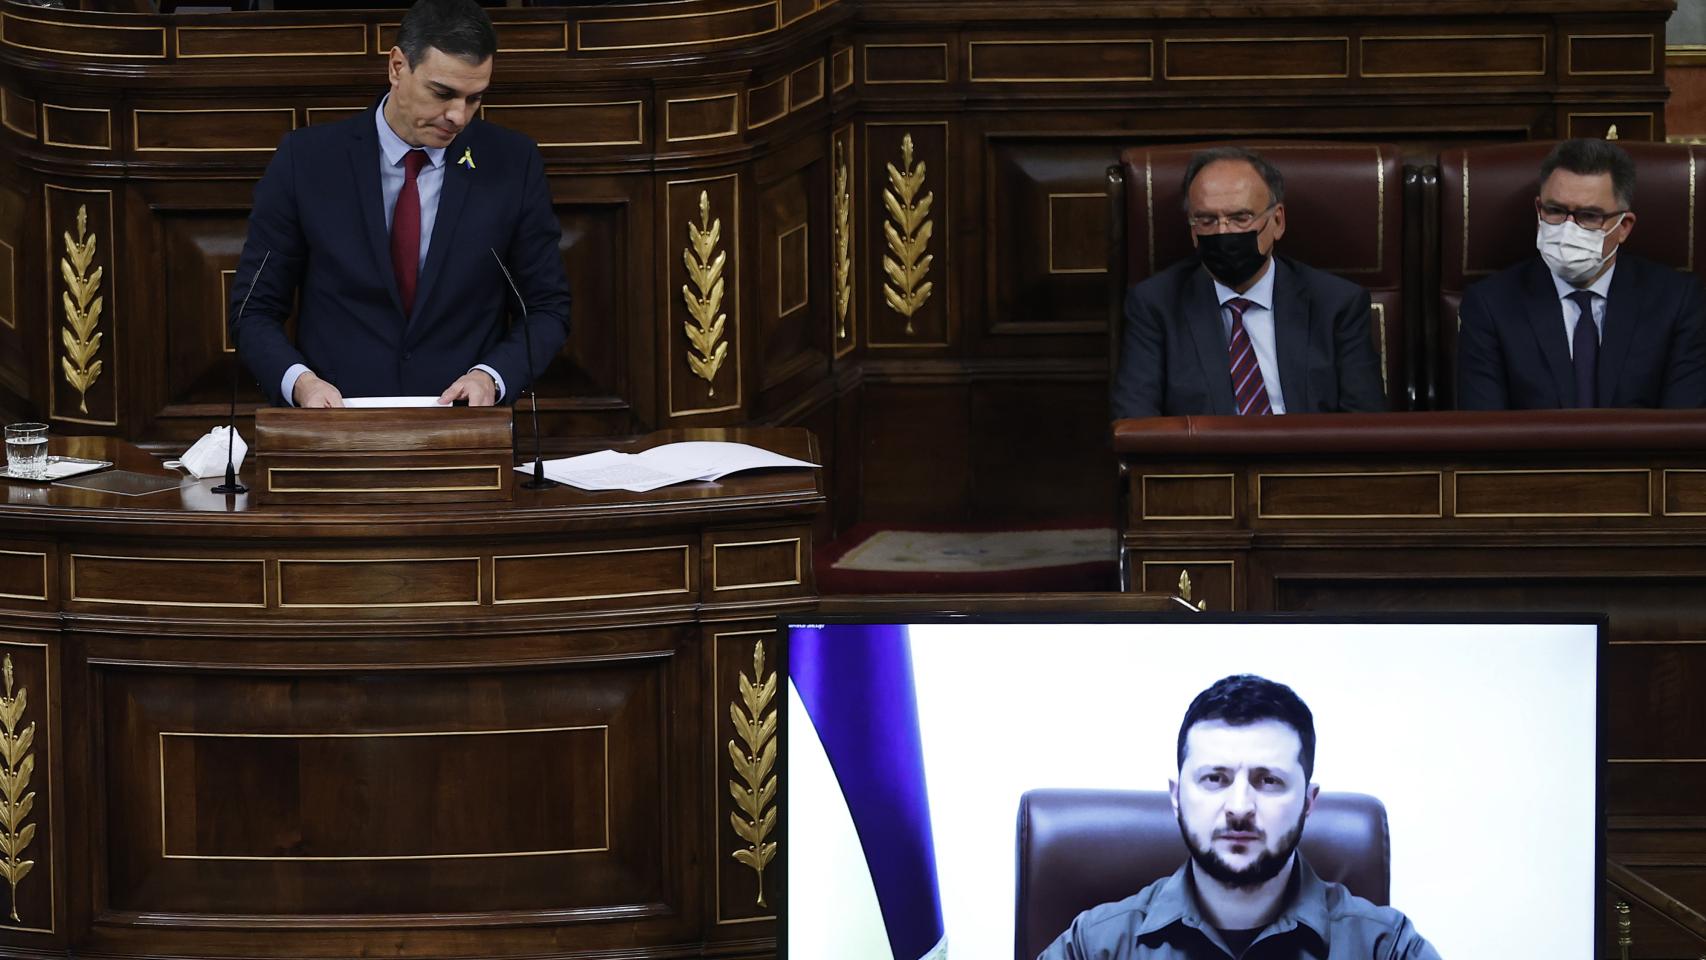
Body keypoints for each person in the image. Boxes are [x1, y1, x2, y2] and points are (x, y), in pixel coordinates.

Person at [230, 0, 570, 408]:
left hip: (464, 430)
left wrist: (491, 378)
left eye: (474, 98)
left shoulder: (512, 164)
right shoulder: (306, 162)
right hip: (336, 430)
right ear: (397, 67)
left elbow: (547, 307)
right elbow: (253, 309)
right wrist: (301, 383)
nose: (458, 116)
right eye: (442, 93)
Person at [1038, 675, 1441, 960]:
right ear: (1177, 797)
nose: (1240, 806)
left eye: (1268, 780)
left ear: (1308, 801)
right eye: (1215, 778)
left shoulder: (1386, 948)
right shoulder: (1094, 947)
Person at [1111, 148, 1386, 419]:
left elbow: (1364, 425)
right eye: (1207, 221)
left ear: (1277, 221)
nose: (1223, 232)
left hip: (1307, 460)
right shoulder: (1155, 305)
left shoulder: (1336, 304)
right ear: (1193, 231)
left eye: (1240, 218)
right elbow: (1136, 424)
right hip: (1206, 461)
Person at [1456, 138, 1706, 409]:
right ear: (1538, 209)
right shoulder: (1490, 305)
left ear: (1624, 227)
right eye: (1554, 211)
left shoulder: (1677, 301)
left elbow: (1682, 431)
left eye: (1589, 216)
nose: (1567, 229)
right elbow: (1486, 434)